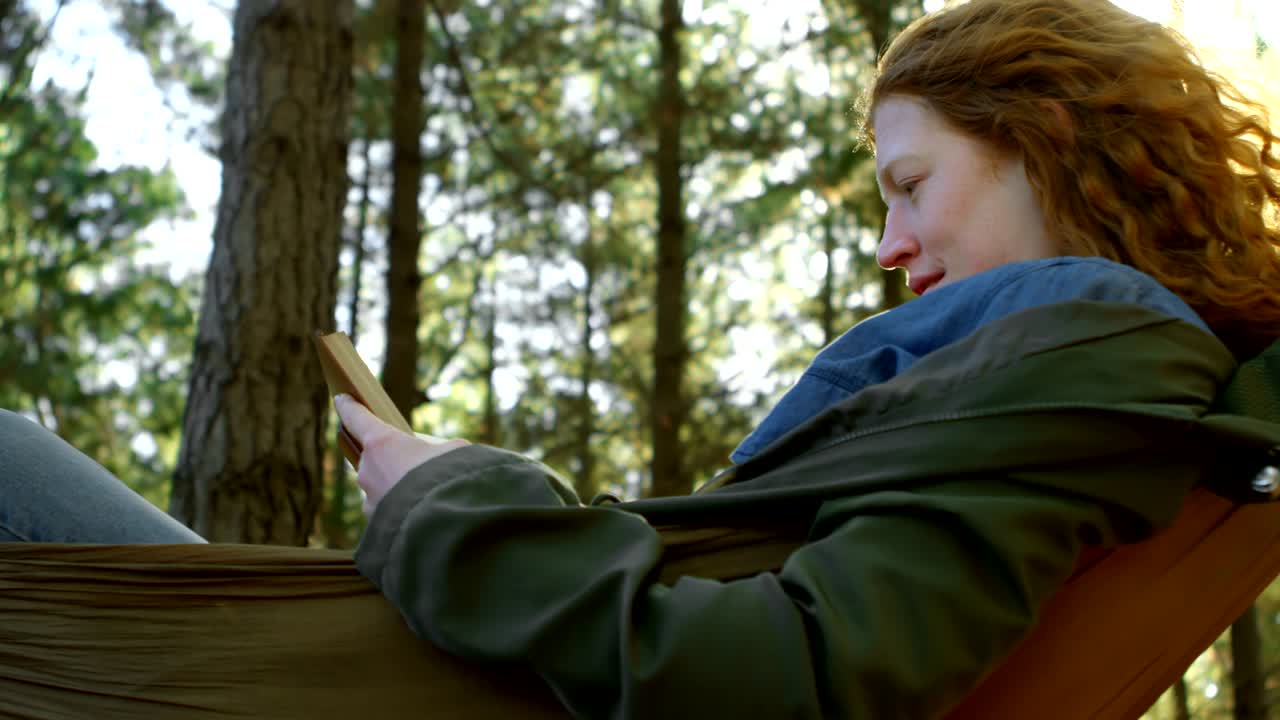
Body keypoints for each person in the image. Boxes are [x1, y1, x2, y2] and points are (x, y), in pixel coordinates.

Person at [1, 0, 1277, 718]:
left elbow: (801, 678)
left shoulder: (1088, 335)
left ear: (1044, 135)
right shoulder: (1077, 367)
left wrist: (452, 502)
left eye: (908, 185)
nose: (888, 246)